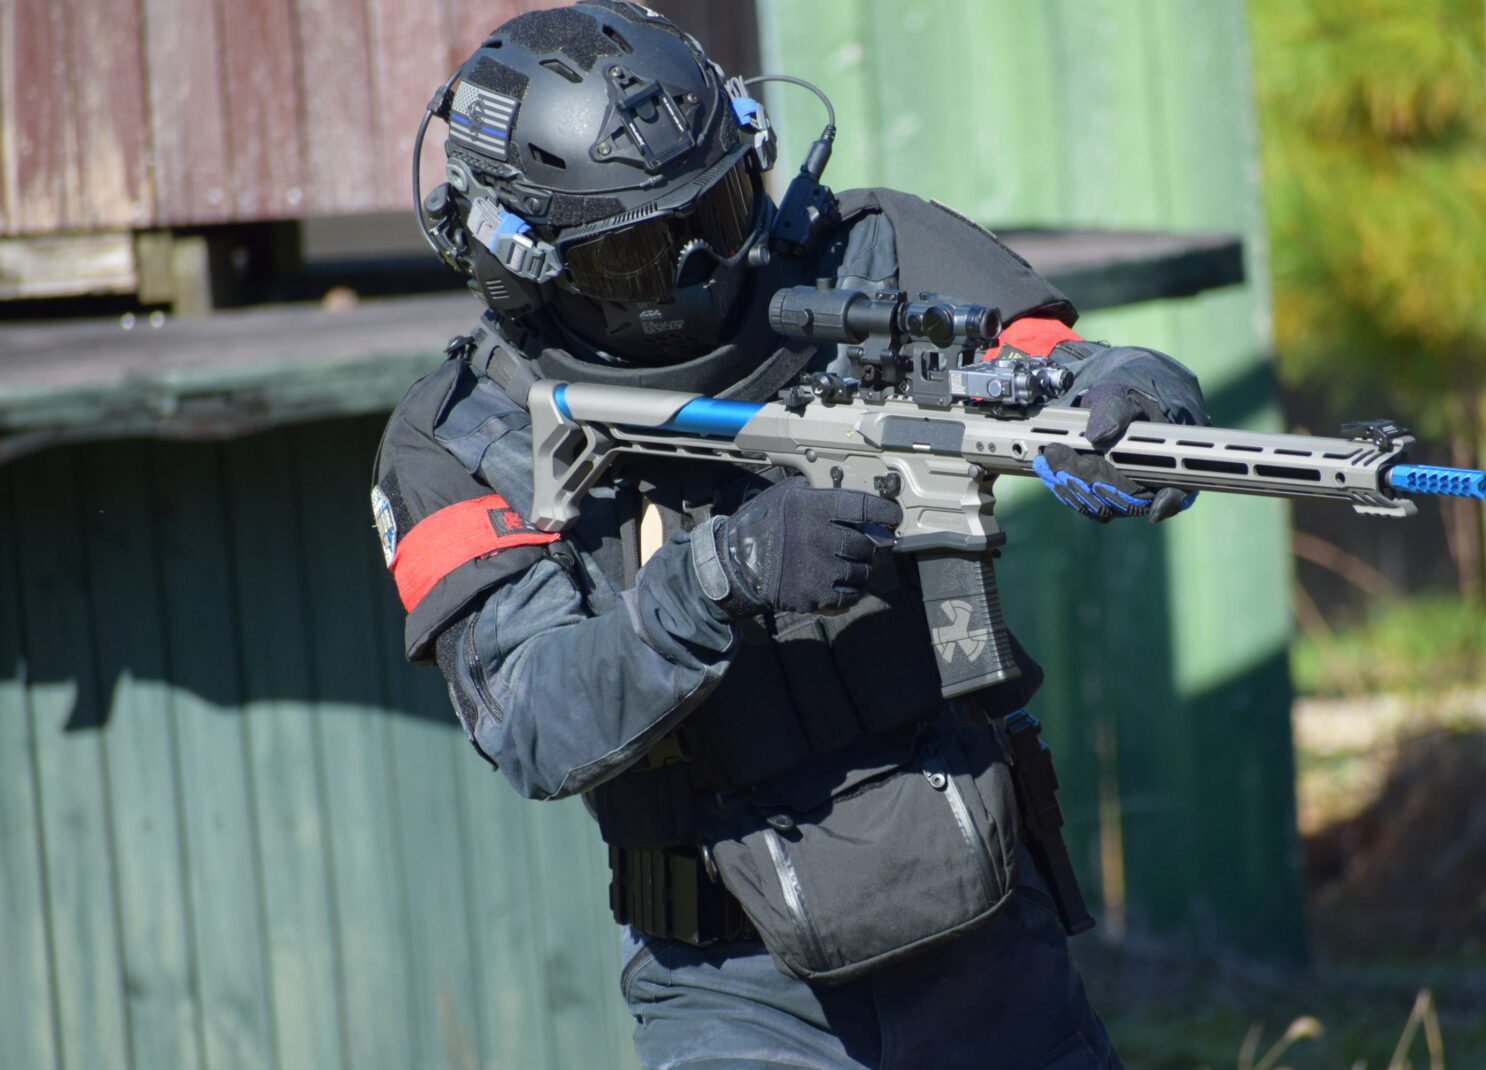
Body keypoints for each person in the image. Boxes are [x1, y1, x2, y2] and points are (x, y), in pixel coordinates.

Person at [372, 3, 1208, 1066]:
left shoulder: (870, 252)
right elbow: (536, 721)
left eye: (720, 212)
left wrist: (1134, 398)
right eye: (636, 253)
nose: (701, 267)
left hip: (990, 939)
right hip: (736, 985)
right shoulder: (459, 435)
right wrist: (716, 579)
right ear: (517, 260)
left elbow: (1059, 365)